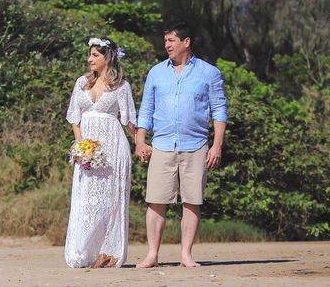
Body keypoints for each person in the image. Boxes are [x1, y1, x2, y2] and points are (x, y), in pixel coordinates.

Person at [134, 21, 227, 268]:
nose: (166, 45)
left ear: (186, 42)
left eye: (171, 40)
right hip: (162, 144)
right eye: (165, 41)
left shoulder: (209, 73)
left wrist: (216, 146)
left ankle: (186, 255)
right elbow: (146, 109)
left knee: (192, 201)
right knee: (156, 201)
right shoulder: (156, 73)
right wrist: (140, 140)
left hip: (196, 144)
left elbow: (219, 111)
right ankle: (152, 255)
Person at [63, 37, 138, 268]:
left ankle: (109, 252)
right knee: (87, 200)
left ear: (108, 57)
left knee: (111, 201)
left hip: (113, 148)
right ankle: (85, 251)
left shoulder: (121, 86)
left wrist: (141, 145)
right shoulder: (82, 82)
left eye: (95, 55)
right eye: (90, 54)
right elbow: (74, 117)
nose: (89, 59)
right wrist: (81, 146)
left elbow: (129, 121)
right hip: (88, 150)